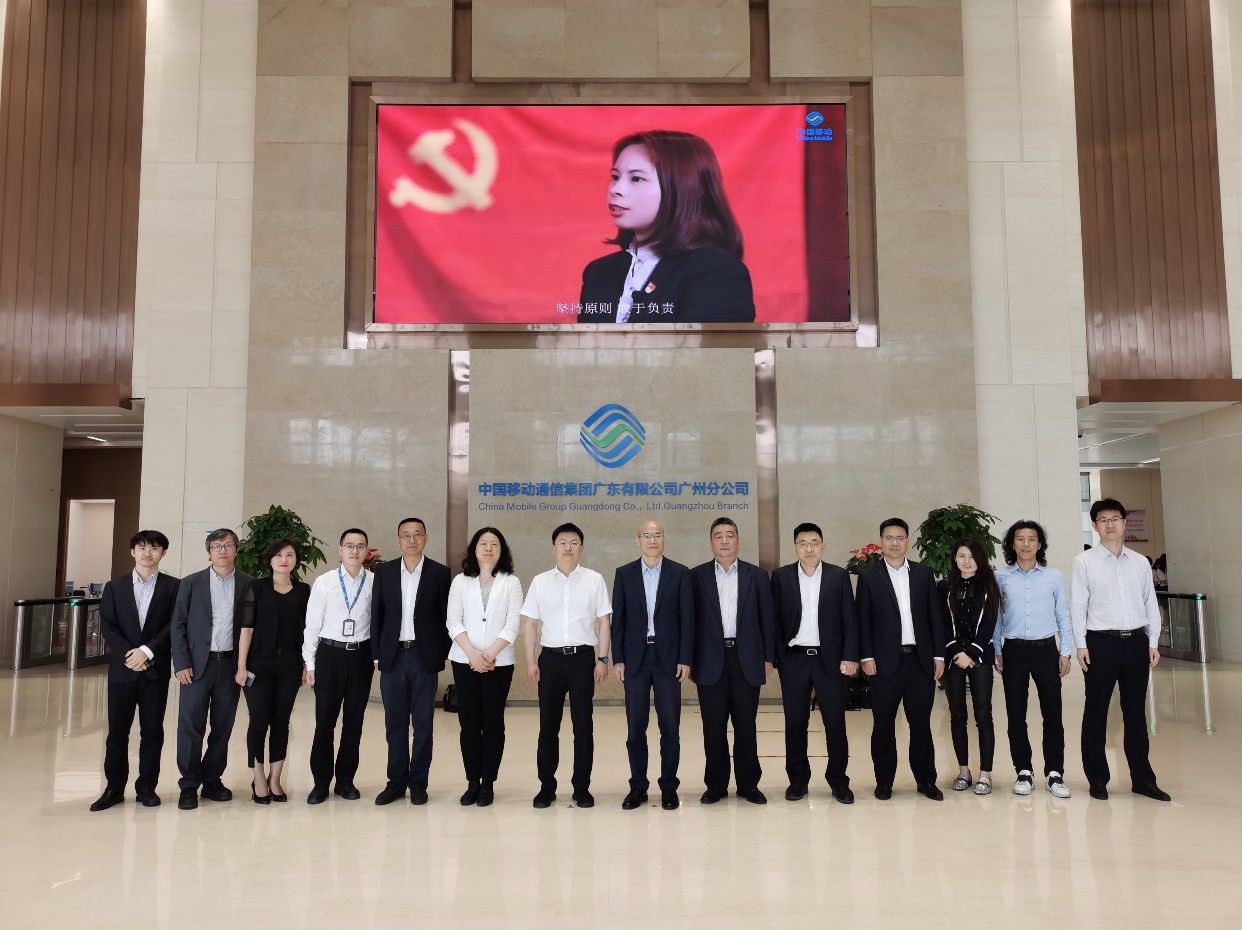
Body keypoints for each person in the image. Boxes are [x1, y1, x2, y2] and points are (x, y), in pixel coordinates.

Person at [578, 130, 755, 324]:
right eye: (615, 176)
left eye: (636, 178)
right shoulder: (599, 272)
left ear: (686, 186)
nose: (615, 189)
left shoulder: (716, 270)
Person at [1072, 499, 1170, 802]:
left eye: (1115, 518)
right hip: (1100, 643)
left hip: (1136, 643)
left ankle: (1143, 779)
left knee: (1136, 713)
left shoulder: (1139, 562)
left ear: (1125, 523)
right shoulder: (1084, 562)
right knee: (1096, 711)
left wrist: (1152, 642)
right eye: (1103, 520)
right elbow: (1078, 605)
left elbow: (1150, 603)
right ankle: (1098, 779)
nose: (1110, 524)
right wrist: (1081, 644)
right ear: (1095, 525)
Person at [522, 523, 612, 809]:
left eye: (574, 542)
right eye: (562, 542)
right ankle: (546, 787)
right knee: (548, 726)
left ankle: (581, 787)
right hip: (549, 659)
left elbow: (604, 622)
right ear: (553, 548)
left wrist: (603, 659)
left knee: (583, 725)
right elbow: (530, 624)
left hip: (582, 659)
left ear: (581, 548)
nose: (568, 547)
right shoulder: (540, 582)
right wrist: (531, 661)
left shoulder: (594, 580)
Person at [856, 518, 947, 801]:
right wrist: (866, 656)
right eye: (889, 538)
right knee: (883, 724)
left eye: (899, 538)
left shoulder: (923, 573)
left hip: (920, 661)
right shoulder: (868, 576)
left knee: (920, 724)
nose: (894, 543)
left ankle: (926, 781)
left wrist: (938, 655)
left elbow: (934, 617)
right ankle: (884, 782)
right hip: (884, 663)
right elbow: (863, 619)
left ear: (907, 541)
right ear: (881, 542)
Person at [92, 530, 180, 811]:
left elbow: (174, 624)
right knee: (117, 732)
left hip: (155, 669)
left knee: (152, 732)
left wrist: (147, 651)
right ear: (132, 552)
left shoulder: (174, 587)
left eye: (154, 548)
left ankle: (147, 788)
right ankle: (114, 788)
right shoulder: (114, 587)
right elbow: (108, 625)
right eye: (141, 547)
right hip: (123, 669)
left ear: (163, 553)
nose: (147, 553)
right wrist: (129, 655)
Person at [770, 522, 858, 805]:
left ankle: (839, 781)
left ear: (823, 546)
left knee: (835, 722)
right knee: (795, 722)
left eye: (814, 543)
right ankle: (798, 781)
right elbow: (773, 620)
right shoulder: (781, 577)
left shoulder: (838, 576)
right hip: (794, 659)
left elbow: (849, 619)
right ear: (795, 547)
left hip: (829, 660)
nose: (809, 548)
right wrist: (777, 657)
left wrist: (849, 656)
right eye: (803, 543)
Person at [690, 517, 776, 805]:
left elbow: (767, 619)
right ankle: (715, 785)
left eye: (730, 535)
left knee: (746, 724)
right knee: (713, 726)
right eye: (718, 536)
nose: (724, 541)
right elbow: (689, 622)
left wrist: (768, 657)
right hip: (709, 661)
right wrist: (688, 660)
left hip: (747, 659)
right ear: (711, 543)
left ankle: (748, 785)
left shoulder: (757, 575)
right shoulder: (696, 576)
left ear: (738, 541)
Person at [611, 520, 694, 811]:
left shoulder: (680, 573)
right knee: (636, 727)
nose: (652, 540)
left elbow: (688, 620)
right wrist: (618, 658)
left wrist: (685, 658)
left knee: (670, 726)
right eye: (646, 535)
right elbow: (618, 620)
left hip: (668, 659)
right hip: (635, 659)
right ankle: (638, 786)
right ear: (638, 541)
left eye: (657, 535)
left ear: (664, 539)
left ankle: (669, 786)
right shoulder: (624, 574)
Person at [171, 528, 254, 810]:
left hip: (230, 665)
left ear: (236, 550)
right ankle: (188, 785)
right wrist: (181, 663)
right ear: (209, 553)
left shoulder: (248, 584)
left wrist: (245, 665)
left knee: (222, 725)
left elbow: (251, 627)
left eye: (228, 545)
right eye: (217, 546)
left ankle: (212, 780)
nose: (222, 551)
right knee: (191, 725)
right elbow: (178, 624)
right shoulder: (191, 583)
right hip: (196, 666)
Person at [371, 518, 451, 806]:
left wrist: (441, 653)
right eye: (406, 535)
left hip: (423, 657)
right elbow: (377, 614)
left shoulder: (440, 573)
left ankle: (418, 783)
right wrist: (377, 654)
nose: (412, 539)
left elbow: (447, 616)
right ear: (398, 540)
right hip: (392, 657)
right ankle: (395, 783)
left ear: (426, 538)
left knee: (423, 725)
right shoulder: (385, 571)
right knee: (395, 725)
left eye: (417, 534)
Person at [994, 520, 1073, 799]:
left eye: (1031, 539)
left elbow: (1063, 614)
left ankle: (1054, 773)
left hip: (1046, 650)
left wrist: (1065, 651)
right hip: (1014, 650)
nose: (1026, 544)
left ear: (1039, 544)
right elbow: (996, 617)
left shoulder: (1053, 576)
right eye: (1020, 539)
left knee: (1053, 714)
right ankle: (1023, 771)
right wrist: (997, 649)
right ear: (1012, 544)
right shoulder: (1001, 577)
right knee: (1016, 714)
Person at [446, 527, 523, 807]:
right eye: (483, 543)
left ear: (502, 550)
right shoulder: (460, 582)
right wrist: (472, 654)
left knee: (492, 723)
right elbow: (453, 621)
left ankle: (488, 783)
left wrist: (488, 654)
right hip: (464, 660)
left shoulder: (511, 582)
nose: (488, 548)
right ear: (474, 549)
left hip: (499, 663)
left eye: (494, 544)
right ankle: (472, 782)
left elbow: (513, 624)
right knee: (468, 724)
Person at [234, 538, 310, 804]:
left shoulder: (303, 591)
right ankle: (258, 777)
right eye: (278, 555)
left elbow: (308, 630)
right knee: (258, 720)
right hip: (258, 665)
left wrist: (307, 664)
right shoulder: (257, 588)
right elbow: (246, 629)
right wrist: (241, 666)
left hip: (290, 665)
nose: (283, 560)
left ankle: (275, 778)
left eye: (289, 555)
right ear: (270, 560)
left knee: (281, 721)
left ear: (296, 560)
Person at [303, 528, 375, 805]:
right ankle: (321, 782)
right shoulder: (325, 582)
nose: (355, 551)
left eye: (360, 546)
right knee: (325, 721)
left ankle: (345, 780)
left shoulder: (375, 581)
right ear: (340, 550)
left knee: (354, 722)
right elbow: (312, 625)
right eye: (350, 545)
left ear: (366, 551)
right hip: (329, 655)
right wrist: (310, 663)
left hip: (361, 656)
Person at [940, 538, 999, 797]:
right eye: (962, 555)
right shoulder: (944, 586)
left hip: (980, 658)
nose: (967, 561)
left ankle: (986, 774)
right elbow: (941, 622)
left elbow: (990, 622)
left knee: (983, 715)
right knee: (957, 715)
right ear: (954, 558)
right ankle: (963, 771)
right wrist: (956, 652)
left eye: (972, 556)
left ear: (980, 559)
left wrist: (972, 653)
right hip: (953, 658)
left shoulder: (989, 585)